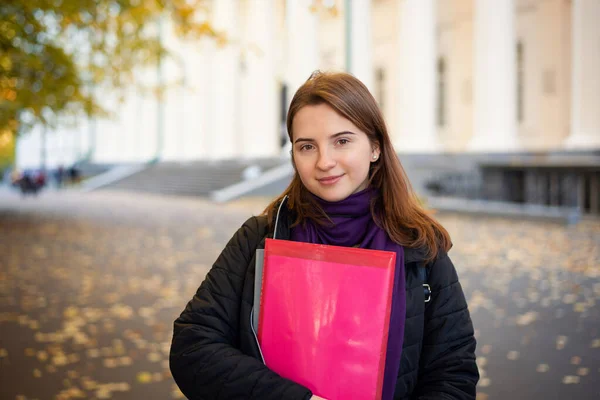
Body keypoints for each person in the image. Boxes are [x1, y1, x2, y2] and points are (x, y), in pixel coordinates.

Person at [170, 71, 479, 399]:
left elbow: (453, 373)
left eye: (342, 141)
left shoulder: (420, 247)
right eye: (307, 147)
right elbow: (194, 347)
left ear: (375, 146)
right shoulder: (259, 238)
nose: (324, 162)